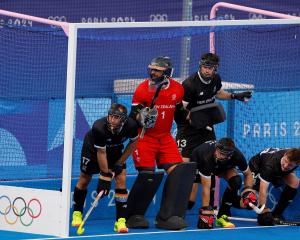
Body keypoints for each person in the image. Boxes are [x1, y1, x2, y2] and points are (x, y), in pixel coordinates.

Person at [126, 56, 196, 231]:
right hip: (145, 138)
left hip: (165, 138)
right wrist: (140, 117)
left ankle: (167, 217)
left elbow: (179, 110)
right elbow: (133, 114)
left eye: (157, 70)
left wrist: (189, 116)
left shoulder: (178, 89)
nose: (152, 72)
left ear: (168, 73)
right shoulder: (142, 89)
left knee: (179, 173)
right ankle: (134, 215)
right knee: (147, 176)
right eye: (151, 69)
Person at [175, 53, 252, 209]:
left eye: (211, 68)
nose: (208, 71)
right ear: (200, 65)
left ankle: (210, 209)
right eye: (205, 67)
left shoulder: (216, 79)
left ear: (216, 68)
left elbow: (218, 93)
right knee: (183, 169)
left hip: (206, 128)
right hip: (187, 130)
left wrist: (234, 96)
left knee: (209, 162)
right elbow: (178, 110)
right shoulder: (189, 85)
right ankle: (178, 207)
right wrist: (192, 118)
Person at [71, 103, 138, 233]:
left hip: (115, 150)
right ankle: (77, 213)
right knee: (84, 179)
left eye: (116, 117)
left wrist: (120, 162)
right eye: (111, 116)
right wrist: (105, 176)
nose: (112, 120)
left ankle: (120, 221)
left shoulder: (131, 126)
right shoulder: (99, 127)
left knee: (121, 178)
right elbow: (101, 153)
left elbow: (133, 142)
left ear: (123, 119)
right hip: (92, 149)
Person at [191, 138, 256, 229]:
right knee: (191, 202)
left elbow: (248, 174)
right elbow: (206, 187)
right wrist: (205, 209)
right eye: (217, 151)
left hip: (221, 166)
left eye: (221, 154)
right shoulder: (207, 156)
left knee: (236, 181)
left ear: (230, 155)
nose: (217, 154)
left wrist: (248, 190)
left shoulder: (237, 156)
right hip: (198, 163)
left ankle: (222, 216)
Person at [249, 147, 300, 226]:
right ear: (285, 155)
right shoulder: (269, 165)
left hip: (277, 168)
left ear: (297, 164)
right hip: (257, 166)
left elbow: (286, 165)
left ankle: (277, 214)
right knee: (253, 191)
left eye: (290, 165)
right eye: (285, 161)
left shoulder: (295, 158)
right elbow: (263, 190)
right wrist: (263, 211)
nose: (286, 166)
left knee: (294, 182)